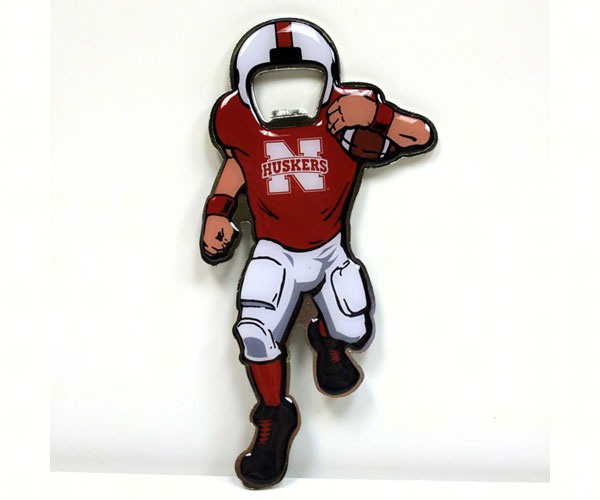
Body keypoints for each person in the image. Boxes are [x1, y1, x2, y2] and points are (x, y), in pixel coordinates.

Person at [200, 19, 437, 489]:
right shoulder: (237, 120)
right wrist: (217, 212)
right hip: (274, 250)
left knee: (355, 327)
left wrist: (379, 116)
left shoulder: (349, 114)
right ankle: (273, 414)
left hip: (330, 250)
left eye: (305, 78)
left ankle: (327, 339)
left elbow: (421, 136)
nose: (288, 96)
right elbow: (236, 166)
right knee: (254, 332)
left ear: (326, 77)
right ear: (245, 86)